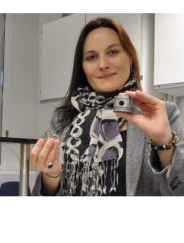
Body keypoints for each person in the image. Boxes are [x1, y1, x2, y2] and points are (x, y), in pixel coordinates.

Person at [31, 17, 184, 196]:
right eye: (91, 57)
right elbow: (40, 195)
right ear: (82, 67)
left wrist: (164, 143)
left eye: (112, 52)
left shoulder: (162, 113)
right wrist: (51, 174)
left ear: (131, 58)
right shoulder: (63, 119)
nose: (103, 65)